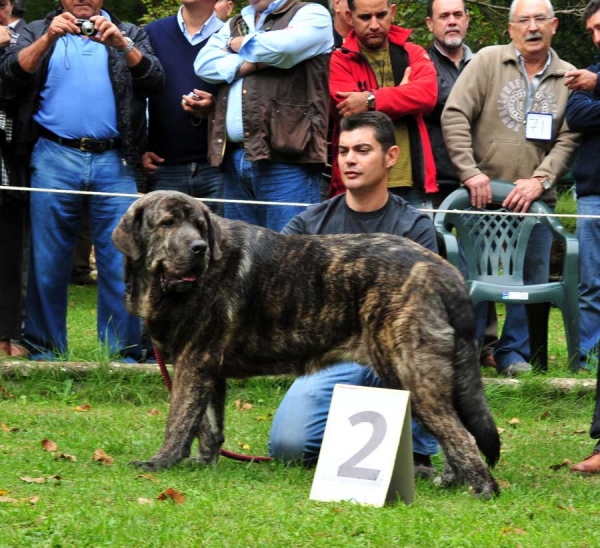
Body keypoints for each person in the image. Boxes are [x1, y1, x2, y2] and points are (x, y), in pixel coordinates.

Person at [269, 111, 439, 477]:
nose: (349, 160)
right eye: (343, 150)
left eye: (362, 150)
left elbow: (430, 312)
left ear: (390, 156)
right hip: (332, 356)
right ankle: (348, 446)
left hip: (396, 354)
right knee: (287, 447)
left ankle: (417, 449)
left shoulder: (415, 228)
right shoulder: (307, 225)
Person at [0, 0, 164, 361]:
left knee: (122, 258)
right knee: (47, 259)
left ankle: (123, 353)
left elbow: (155, 79)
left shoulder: (131, 32)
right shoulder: (36, 30)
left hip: (115, 159)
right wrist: (47, 39)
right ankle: (45, 349)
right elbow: (8, 78)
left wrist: (123, 44)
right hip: (53, 154)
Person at [441, 0, 579, 377]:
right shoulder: (487, 61)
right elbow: (454, 114)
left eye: (540, 20)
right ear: (510, 28)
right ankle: (466, 354)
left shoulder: (568, 76)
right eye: (524, 20)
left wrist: (540, 180)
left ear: (554, 26)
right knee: (471, 278)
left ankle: (512, 354)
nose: (532, 27)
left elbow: (569, 139)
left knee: (530, 278)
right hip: (480, 196)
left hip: (534, 202)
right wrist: (469, 173)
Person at [194, 0, 333, 231]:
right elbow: (203, 65)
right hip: (235, 159)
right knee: (242, 258)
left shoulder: (312, 14)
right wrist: (254, 64)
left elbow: (284, 47)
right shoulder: (236, 22)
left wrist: (233, 45)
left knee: (290, 256)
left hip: (289, 161)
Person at [328, 0, 438, 207]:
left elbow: (428, 95)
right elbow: (353, 117)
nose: (375, 24)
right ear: (350, 17)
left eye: (381, 15)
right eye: (365, 17)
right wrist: (403, 95)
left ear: (392, 12)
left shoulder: (412, 53)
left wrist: (369, 100)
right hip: (359, 185)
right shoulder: (339, 60)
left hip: (412, 183)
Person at [143, 0, 224, 216]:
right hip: (164, 165)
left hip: (217, 168)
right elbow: (134, 94)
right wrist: (140, 147)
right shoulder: (152, 33)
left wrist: (213, 110)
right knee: (165, 247)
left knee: (219, 245)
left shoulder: (229, 36)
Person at [563, 0, 600, 473]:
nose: (595, 37)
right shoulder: (587, 74)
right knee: (593, 287)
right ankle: (591, 363)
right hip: (594, 195)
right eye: (591, 29)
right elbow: (577, 116)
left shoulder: (593, 78)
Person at [0, 0, 26, 358]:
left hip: (8, 167)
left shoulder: (21, 43)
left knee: (8, 256)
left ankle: (7, 337)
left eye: (2, 4)